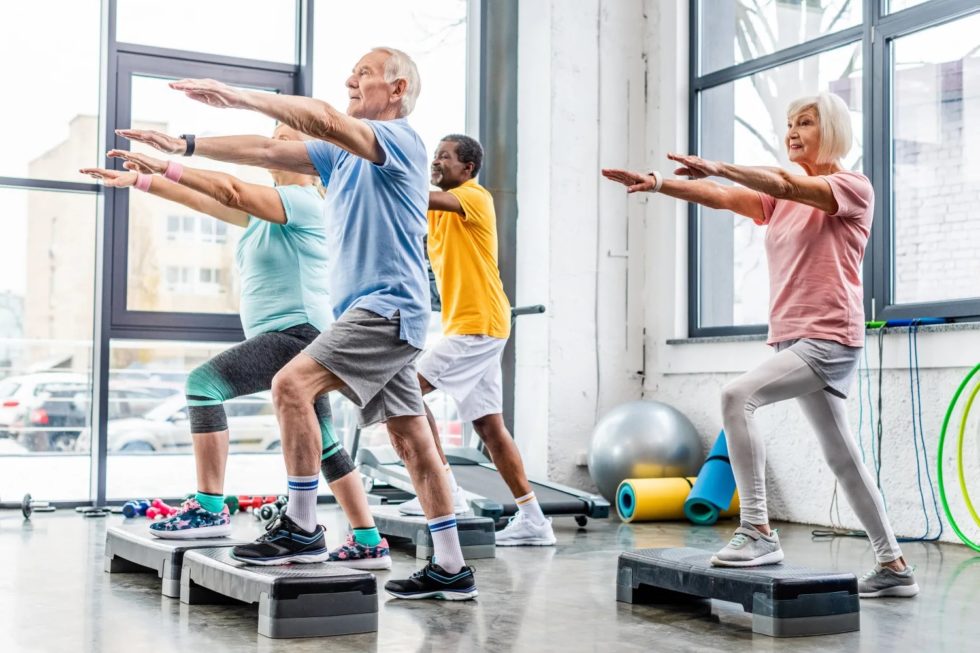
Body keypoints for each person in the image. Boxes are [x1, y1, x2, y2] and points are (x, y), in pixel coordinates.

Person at [117, 47, 476, 599]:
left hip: (386, 308)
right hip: (375, 312)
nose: (350, 80)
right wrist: (183, 145)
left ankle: (303, 525)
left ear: (397, 89)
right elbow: (266, 148)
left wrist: (237, 94)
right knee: (410, 439)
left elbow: (326, 119)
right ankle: (451, 567)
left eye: (363, 73)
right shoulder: (339, 160)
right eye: (350, 72)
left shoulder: (402, 139)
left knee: (290, 385)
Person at [602, 91, 918, 599]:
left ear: (832, 129)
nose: (792, 131)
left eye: (806, 123)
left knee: (736, 396)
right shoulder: (782, 200)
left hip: (828, 336)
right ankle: (895, 564)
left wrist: (721, 165)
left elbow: (784, 182)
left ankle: (757, 530)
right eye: (790, 123)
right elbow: (728, 198)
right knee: (843, 457)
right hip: (794, 338)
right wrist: (662, 184)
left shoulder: (850, 186)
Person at [82, 125, 390, 569]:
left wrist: (166, 161)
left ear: (307, 157)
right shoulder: (269, 211)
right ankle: (368, 539)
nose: (274, 146)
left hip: (295, 333)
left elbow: (228, 189)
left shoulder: (304, 201)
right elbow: (202, 199)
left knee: (203, 385)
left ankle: (210, 507)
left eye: (286, 140)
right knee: (321, 442)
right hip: (296, 334)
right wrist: (140, 181)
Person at [396, 134, 556, 547]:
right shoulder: (436, 213)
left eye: (444, 158)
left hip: (478, 323)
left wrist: (403, 169)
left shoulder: (475, 196)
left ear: (467, 168)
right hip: (472, 324)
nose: (436, 163)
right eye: (433, 156)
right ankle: (534, 519)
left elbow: (421, 194)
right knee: (489, 426)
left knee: (404, 394)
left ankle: (447, 491)